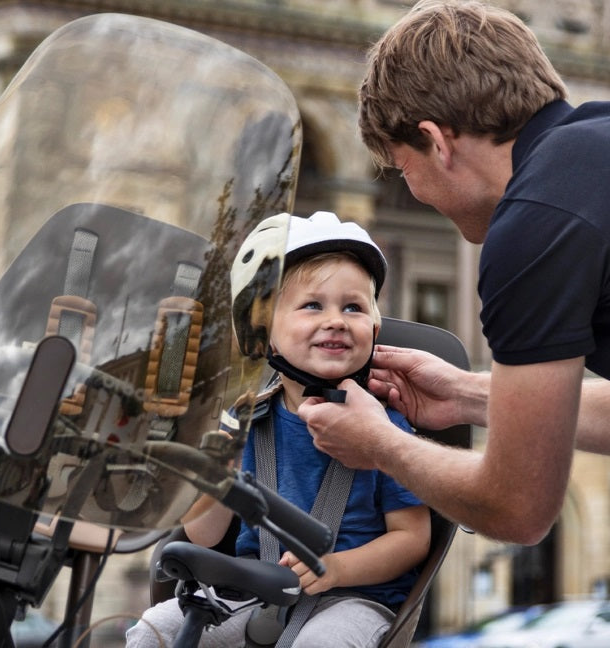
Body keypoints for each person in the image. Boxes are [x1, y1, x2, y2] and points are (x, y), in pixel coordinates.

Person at [298, 0, 610, 546]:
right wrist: (472, 396)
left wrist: (381, 445)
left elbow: (517, 508)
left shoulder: (533, 224)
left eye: (403, 168)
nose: (411, 191)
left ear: (436, 142)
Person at [126, 211, 431, 648]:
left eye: (354, 307)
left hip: (351, 598)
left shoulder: (384, 428)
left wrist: (337, 568)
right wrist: (218, 472)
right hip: (252, 594)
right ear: (264, 333)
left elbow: (413, 538)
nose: (336, 320)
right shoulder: (244, 423)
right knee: (156, 630)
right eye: (312, 305)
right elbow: (203, 536)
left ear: (375, 328)